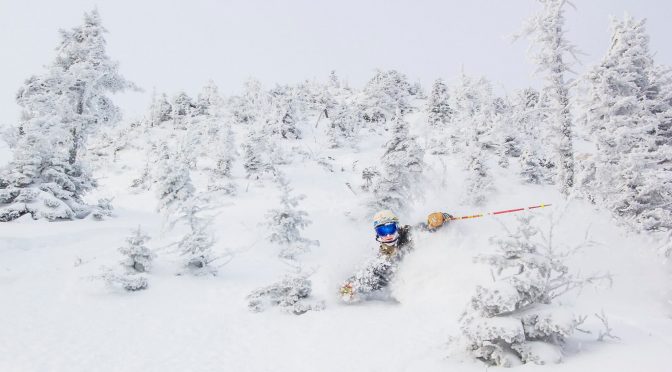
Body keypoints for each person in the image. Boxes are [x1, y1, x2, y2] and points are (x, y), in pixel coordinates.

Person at [339, 209, 453, 302]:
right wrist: (353, 285)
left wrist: (440, 218)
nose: (388, 235)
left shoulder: (410, 235)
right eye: (382, 231)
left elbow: (428, 228)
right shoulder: (384, 257)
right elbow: (373, 277)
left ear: (397, 227)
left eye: (390, 228)